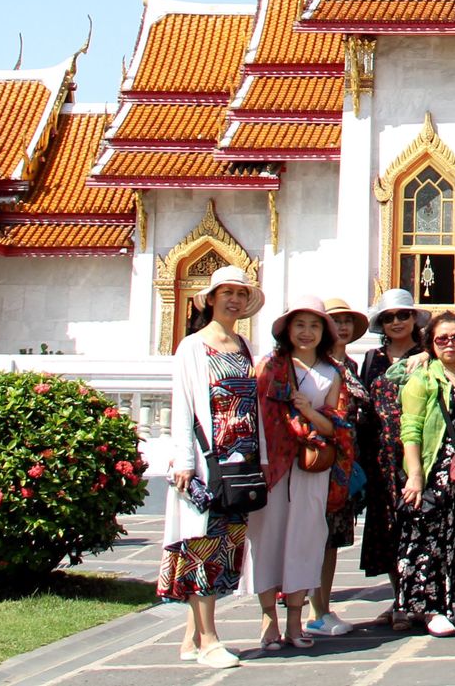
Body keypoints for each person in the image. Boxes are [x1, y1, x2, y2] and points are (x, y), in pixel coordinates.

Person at [161, 265, 262, 670]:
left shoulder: (241, 345)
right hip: (207, 464)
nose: (234, 300)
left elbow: (253, 406)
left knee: (227, 546)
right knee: (203, 544)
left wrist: (262, 458)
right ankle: (209, 639)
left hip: (241, 463)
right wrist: (184, 459)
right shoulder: (193, 346)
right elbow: (183, 405)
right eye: (227, 293)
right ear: (212, 299)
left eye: (240, 294)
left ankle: (190, 636)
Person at [250, 294, 356, 650]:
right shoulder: (269, 367)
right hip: (273, 467)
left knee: (305, 542)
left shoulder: (331, 373)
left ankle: (296, 621)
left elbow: (337, 428)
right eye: (300, 324)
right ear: (287, 329)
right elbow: (258, 419)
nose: (306, 332)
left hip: (312, 466)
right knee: (268, 540)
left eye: (314, 325)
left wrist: (307, 413)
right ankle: (268, 619)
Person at [394, 310, 455, 637]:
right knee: (428, 538)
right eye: (441, 338)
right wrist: (415, 474)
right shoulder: (424, 376)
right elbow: (411, 427)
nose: (449, 343)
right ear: (430, 344)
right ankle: (428, 608)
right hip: (435, 468)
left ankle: (447, 603)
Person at [358, 289, 427, 624]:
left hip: (416, 455)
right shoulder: (373, 359)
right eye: (389, 317)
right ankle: (400, 597)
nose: (397, 322)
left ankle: (418, 600)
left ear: (414, 318)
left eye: (403, 315)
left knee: (419, 528)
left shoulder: (427, 355)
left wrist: (428, 357)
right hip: (380, 457)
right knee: (388, 530)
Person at [304, 298, 370, 638]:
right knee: (311, 536)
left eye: (347, 321)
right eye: (335, 321)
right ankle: (307, 609)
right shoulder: (314, 365)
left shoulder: (352, 366)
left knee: (331, 540)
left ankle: (322, 606)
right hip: (318, 460)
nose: (342, 327)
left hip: (344, 465)